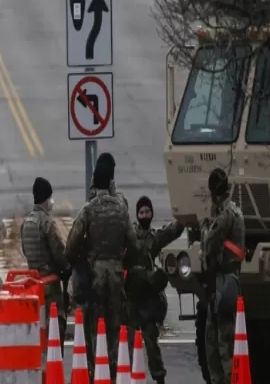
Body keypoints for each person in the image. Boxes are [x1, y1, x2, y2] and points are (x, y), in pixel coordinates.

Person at [65, 152, 138, 382]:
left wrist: (82, 263)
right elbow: (133, 244)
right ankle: (117, 374)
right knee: (117, 327)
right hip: (116, 275)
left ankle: (98, 374)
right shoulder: (121, 208)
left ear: (95, 182)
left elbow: (70, 247)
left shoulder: (88, 210)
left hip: (95, 275)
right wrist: (120, 263)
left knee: (96, 328)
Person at [125, 196, 185, 384]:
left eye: (147, 212)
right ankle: (126, 376)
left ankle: (159, 377)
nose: (145, 215)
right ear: (136, 214)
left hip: (148, 300)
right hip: (131, 298)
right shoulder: (129, 236)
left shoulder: (154, 238)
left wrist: (185, 215)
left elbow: (173, 231)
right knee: (127, 342)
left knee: (151, 342)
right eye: (141, 212)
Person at [200, 167, 245, 384]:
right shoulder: (233, 211)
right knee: (213, 342)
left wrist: (204, 228)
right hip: (226, 281)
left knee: (222, 346)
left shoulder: (226, 214)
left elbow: (209, 244)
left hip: (224, 283)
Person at [20, 177, 68, 349]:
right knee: (56, 326)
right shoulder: (46, 222)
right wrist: (66, 270)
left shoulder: (26, 223)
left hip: (33, 285)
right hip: (50, 285)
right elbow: (59, 253)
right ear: (47, 198)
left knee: (37, 332)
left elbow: (25, 251)